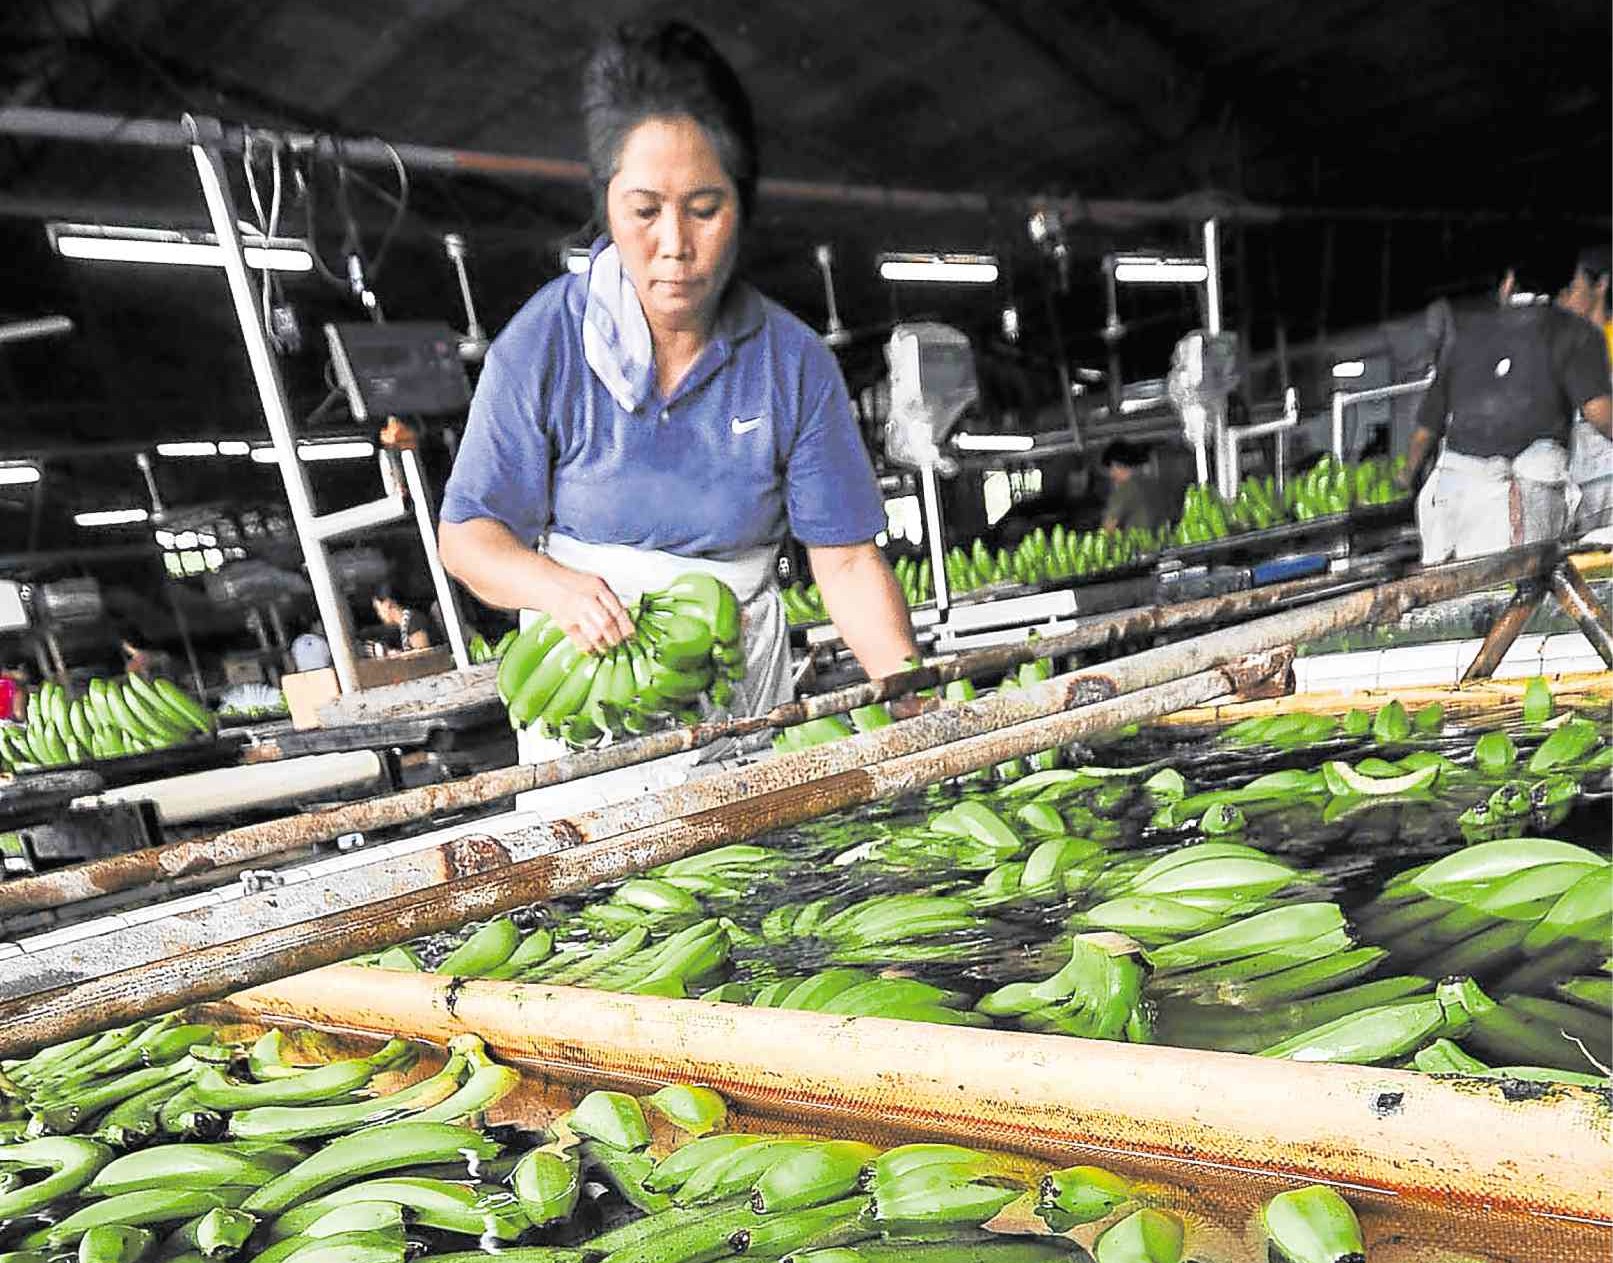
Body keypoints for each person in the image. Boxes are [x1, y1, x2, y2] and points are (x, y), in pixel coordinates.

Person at [437, 19, 917, 720]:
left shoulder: (792, 363)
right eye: (643, 210)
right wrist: (557, 588)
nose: (674, 245)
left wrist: (914, 705)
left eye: (704, 210)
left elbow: (844, 562)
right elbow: (468, 535)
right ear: (606, 204)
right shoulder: (545, 341)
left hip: (738, 685)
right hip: (586, 688)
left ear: (742, 207)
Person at [1400, 248, 1613, 564]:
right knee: (1517, 600)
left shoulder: (1464, 334)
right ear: (1565, 286)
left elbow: (1424, 432)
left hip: (1450, 497)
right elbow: (1602, 416)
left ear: (1509, 282)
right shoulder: (1572, 332)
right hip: (1518, 502)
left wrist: (1404, 480)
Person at [1559, 245, 1613, 541]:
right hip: (1577, 489)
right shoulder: (1563, 341)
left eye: (1573, 287)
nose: (1565, 297)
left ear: (1601, 285)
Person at [1099, 439, 1183, 533]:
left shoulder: (1125, 489)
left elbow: (1109, 526)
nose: (1111, 475)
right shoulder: (1155, 483)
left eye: (1111, 469)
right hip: (1168, 543)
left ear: (1117, 464)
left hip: (1140, 545)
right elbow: (1175, 515)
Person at [371, 588, 432, 655]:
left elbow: (424, 655)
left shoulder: (414, 621)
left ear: (387, 604)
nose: (379, 614)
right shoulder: (405, 623)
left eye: (378, 609)